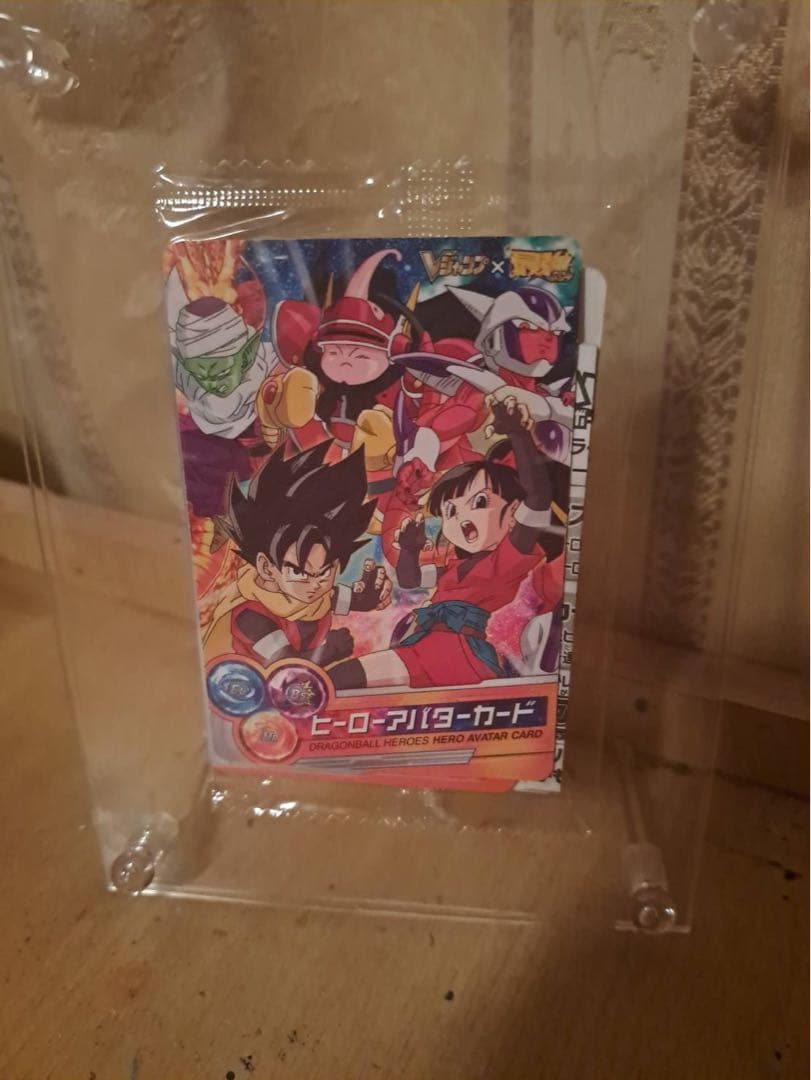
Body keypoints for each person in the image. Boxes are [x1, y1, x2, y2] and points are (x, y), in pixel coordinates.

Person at [329, 397, 564, 690]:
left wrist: (518, 434)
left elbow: (538, 499)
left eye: (479, 502)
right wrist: (410, 550)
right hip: (426, 645)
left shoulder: (507, 558)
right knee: (343, 682)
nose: (461, 517)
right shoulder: (454, 565)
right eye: (450, 511)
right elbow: (410, 579)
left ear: (514, 512)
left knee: (342, 680)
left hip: (455, 652)